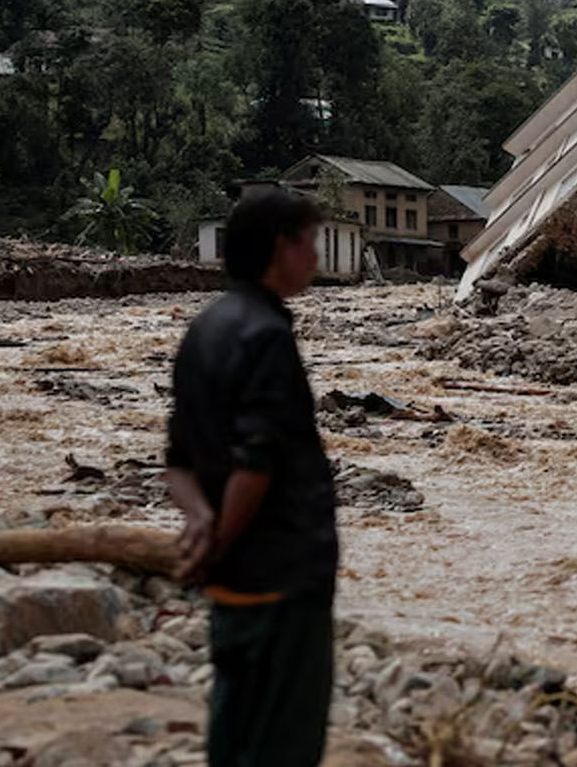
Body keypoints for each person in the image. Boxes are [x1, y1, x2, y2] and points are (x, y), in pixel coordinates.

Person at [165, 186, 337, 767]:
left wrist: (201, 523)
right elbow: (256, 466)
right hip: (282, 572)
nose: (315, 257)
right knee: (284, 738)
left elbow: (177, 462)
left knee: (234, 722)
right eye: (308, 242)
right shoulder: (268, 337)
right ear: (279, 248)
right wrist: (220, 539)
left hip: (232, 585)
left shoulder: (204, 328)